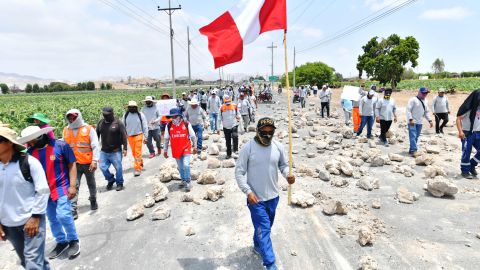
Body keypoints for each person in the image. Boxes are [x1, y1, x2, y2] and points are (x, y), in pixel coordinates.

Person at [235, 117, 295, 270]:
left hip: (273, 197)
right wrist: (248, 192)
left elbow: (283, 165)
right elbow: (239, 172)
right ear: (258, 131)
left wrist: (288, 174)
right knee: (265, 228)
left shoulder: (278, 146)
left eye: (271, 132)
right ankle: (270, 264)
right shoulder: (248, 148)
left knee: (264, 228)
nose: (268, 135)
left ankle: (257, 245)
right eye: (264, 132)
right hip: (256, 199)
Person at [18, 126, 81, 260]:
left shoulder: (60, 145)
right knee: (52, 219)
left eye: (32, 140)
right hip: (44, 192)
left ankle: (73, 240)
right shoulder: (29, 154)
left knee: (63, 215)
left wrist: (72, 185)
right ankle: (61, 241)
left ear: (40, 136)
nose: (30, 143)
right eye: (29, 141)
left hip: (61, 187)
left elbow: (72, 164)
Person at [0, 127, 51, 269]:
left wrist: (35, 217)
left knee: (33, 263)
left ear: (9, 143)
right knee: (28, 260)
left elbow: (42, 190)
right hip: (9, 225)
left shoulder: (29, 162)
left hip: (30, 221)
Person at [63, 109, 100, 219]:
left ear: (78, 117)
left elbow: (95, 145)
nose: (71, 119)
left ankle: (93, 200)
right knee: (74, 186)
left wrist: (94, 160)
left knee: (91, 183)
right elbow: (64, 146)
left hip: (88, 162)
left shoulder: (88, 129)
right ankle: (73, 209)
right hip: (73, 164)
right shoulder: (66, 130)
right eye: (69, 117)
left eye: (74, 117)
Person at [163, 108, 197, 192]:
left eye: (175, 116)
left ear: (179, 116)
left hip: (186, 147)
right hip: (175, 149)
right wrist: (165, 150)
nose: (174, 118)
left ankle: (188, 181)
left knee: (186, 165)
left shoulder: (186, 123)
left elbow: (193, 136)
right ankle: (183, 180)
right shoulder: (169, 126)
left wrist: (195, 146)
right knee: (181, 167)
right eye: (172, 117)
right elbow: (166, 139)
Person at [97, 107, 128, 191]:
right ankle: (111, 179)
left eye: (107, 114)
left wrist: (125, 148)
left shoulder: (118, 123)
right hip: (104, 151)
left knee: (118, 168)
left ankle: (119, 183)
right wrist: (95, 149)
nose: (105, 116)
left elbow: (124, 136)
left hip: (116, 151)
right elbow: (96, 136)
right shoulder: (100, 123)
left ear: (112, 114)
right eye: (104, 114)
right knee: (102, 167)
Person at [456, 89, 480, 179]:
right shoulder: (467, 108)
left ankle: (472, 164)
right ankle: (465, 171)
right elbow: (458, 119)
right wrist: (460, 131)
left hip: (478, 133)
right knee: (466, 151)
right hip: (467, 133)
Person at [123, 101, 148, 177]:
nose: (132, 108)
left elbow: (145, 126)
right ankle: (140, 162)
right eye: (130, 107)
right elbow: (123, 126)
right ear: (128, 108)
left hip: (138, 135)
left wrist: (146, 137)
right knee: (134, 153)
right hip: (129, 136)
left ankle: (137, 168)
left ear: (136, 108)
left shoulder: (140, 115)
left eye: (133, 107)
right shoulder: (125, 115)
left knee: (137, 152)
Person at [406, 87, 433, 156]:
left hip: (420, 122)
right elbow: (408, 110)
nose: (425, 94)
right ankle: (414, 150)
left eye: (426, 93)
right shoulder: (413, 100)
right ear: (419, 92)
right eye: (423, 93)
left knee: (416, 137)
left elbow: (426, 112)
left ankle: (411, 150)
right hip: (412, 122)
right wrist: (410, 119)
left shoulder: (426, 101)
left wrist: (430, 120)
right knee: (413, 136)